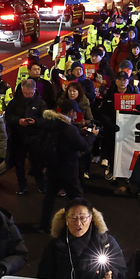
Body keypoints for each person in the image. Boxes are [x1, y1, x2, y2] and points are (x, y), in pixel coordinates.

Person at [38, 100, 97, 233]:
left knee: (49, 197)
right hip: (68, 169)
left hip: (52, 167)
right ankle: (84, 223)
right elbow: (83, 145)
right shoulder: (69, 128)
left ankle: (43, 224)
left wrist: (77, 131)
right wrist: (92, 135)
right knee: (78, 198)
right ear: (71, 112)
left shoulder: (51, 123)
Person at [4, 79, 47, 195]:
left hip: (34, 138)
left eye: (30, 93)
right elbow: (8, 117)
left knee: (37, 163)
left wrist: (35, 122)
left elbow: (45, 119)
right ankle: (22, 185)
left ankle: (41, 184)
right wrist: (18, 121)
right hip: (19, 138)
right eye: (26, 93)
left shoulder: (40, 103)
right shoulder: (15, 102)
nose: (28, 96)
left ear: (35, 90)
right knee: (19, 163)